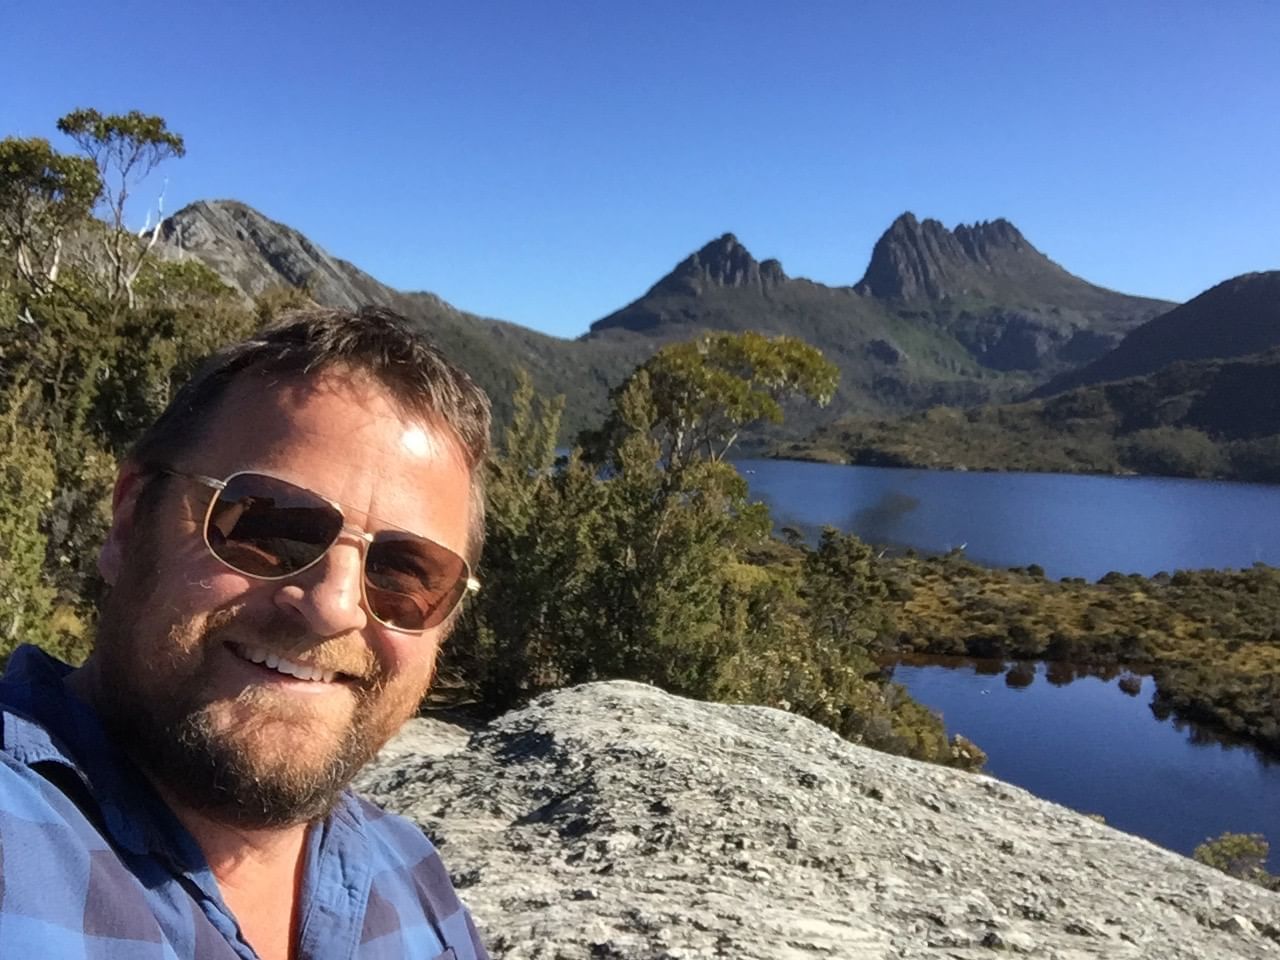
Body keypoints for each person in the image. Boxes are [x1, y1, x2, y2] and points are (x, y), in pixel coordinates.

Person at [0, 306, 491, 959]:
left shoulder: (410, 879)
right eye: (269, 526)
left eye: (407, 573)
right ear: (127, 522)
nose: (333, 606)